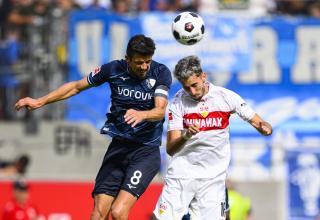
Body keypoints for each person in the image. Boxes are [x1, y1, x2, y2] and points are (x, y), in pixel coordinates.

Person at [15, 34, 172, 220]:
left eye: (147, 61)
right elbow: (75, 87)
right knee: (98, 213)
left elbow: (160, 110)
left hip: (145, 152)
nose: (144, 67)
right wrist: (40, 101)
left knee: (118, 212)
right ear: (127, 59)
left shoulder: (160, 72)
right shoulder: (113, 69)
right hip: (119, 147)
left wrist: (142, 114)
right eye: (139, 62)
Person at [152, 55, 272, 220]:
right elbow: (171, 148)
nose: (192, 92)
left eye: (194, 85)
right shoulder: (178, 102)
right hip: (182, 174)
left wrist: (264, 128)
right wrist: (186, 136)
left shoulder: (226, 97)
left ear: (203, 76)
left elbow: (259, 122)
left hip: (212, 179)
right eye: (187, 88)